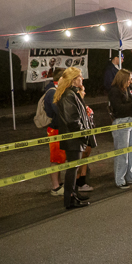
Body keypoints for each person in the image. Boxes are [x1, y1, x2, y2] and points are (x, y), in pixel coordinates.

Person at [54, 67, 96, 210]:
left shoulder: (71, 94)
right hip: (74, 139)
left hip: (74, 138)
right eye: (79, 76)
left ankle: (73, 195)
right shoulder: (68, 96)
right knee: (72, 170)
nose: (82, 78)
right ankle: (70, 199)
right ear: (73, 79)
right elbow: (73, 120)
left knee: (73, 168)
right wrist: (84, 134)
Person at [42, 68, 66, 196]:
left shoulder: (56, 91)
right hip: (55, 129)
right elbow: (58, 111)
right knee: (56, 159)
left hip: (58, 128)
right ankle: (55, 187)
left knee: (60, 158)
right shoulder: (53, 93)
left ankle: (59, 183)